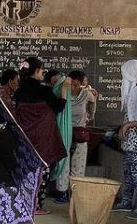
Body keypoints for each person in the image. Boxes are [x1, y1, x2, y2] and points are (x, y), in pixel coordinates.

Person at [14, 57, 67, 215]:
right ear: (36, 71)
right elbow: (59, 107)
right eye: (41, 70)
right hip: (42, 139)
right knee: (43, 170)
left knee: (25, 170)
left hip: (25, 137)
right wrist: (64, 92)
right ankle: (37, 206)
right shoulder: (44, 91)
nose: (43, 72)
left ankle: (22, 203)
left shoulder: (19, 92)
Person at [53, 70, 96, 203]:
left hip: (80, 133)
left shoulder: (87, 95)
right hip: (64, 131)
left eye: (77, 85)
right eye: (72, 84)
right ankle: (62, 192)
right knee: (63, 162)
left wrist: (89, 117)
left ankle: (76, 193)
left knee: (79, 164)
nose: (74, 87)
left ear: (82, 84)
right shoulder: (63, 94)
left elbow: (92, 109)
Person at [113, 59, 137, 219]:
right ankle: (127, 201)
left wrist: (127, 126)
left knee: (136, 173)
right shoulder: (134, 89)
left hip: (135, 140)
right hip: (129, 140)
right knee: (128, 171)